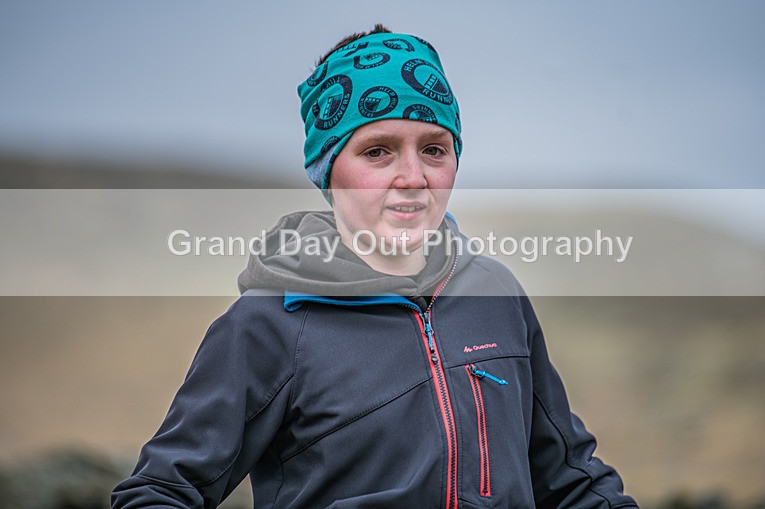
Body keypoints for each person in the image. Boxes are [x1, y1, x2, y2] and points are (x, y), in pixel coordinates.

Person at [112, 25, 638, 508]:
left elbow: (572, 481)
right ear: (329, 169)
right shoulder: (269, 324)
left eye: (434, 148)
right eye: (378, 152)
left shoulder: (495, 293)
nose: (412, 176)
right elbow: (159, 491)